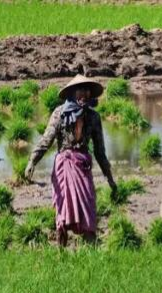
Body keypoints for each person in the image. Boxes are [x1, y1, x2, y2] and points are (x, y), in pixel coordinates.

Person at [25, 74, 117, 246]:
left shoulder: (93, 117)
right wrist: (32, 161)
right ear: (73, 93)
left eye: (87, 91)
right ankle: (61, 251)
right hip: (64, 166)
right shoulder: (60, 114)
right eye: (80, 91)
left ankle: (91, 252)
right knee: (63, 209)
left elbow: (100, 151)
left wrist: (110, 178)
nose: (84, 94)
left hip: (82, 166)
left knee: (88, 207)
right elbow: (47, 140)